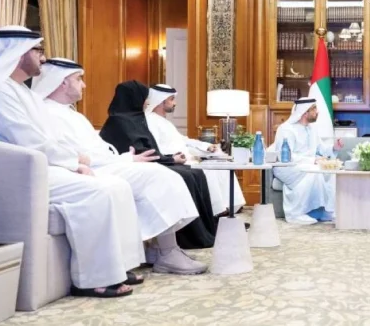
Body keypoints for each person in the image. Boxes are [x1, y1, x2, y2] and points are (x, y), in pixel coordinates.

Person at [0, 26, 139, 298]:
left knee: (116, 185)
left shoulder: (20, 91)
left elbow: (49, 138)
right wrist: (74, 163)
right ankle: (93, 279)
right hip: (17, 175)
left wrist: (73, 159)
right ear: (19, 53)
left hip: (40, 167)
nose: (43, 57)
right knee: (97, 191)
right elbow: (28, 140)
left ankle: (117, 267)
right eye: (38, 50)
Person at [31, 58, 208, 275]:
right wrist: (126, 160)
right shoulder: (46, 113)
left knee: (161, 174)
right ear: (63, 82)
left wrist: (126, 158)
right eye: (79, 79)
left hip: (106, 163)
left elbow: (97, 149)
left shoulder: (71, 114)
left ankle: (161, 249)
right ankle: (167, 252)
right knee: (157, 176)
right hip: (86, 170)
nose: (83, 85)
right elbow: (77, 156)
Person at [99, 80, 217, 249]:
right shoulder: (119, 121)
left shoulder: (136, 119)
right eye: (144, 98)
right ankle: (189, 237)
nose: (147, 102)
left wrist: (170, 159)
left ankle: (205, 231)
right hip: (135, 165)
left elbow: (151, 148)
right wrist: (171, 160)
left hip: (152, 161)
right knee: (185, 175)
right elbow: (142, 153)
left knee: (195, 173)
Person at [145, 84, 245, 215]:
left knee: (223, 167)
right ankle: (216, 213)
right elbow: (157, 148)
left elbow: (184, 140)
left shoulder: (165, 122)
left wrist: (206, 146)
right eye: (171, 99)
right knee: (209, 171)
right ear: (161, 101)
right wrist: (179, 156)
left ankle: (232, 208)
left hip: (188, 159)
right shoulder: (150, 121)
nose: (175, 103)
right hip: (175, 162)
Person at [272, 98, 342, 224]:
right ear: (305, 112)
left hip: (306, 164)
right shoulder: (287, 129)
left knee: (329, 171)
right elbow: (286, 156)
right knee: (314, 171)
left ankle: (324, 211)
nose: (317, 112)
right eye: (314, 109)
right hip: (286, 166)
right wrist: (312, 160)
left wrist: (334, 147)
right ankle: (296, 214)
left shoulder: (312, 129)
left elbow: (321, 149)